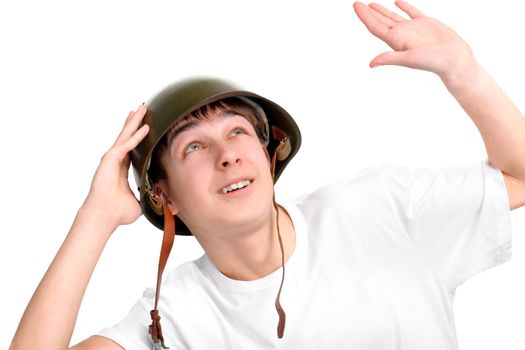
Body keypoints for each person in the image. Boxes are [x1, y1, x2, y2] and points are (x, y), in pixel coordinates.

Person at [9, 1, 525, 349]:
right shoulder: (174, 318)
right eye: (193, 147)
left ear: (268, 153)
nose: (227, 155)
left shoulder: (377, 208)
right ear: (165, 198)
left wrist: (466, 73)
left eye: (238, 133)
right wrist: (95, 218)